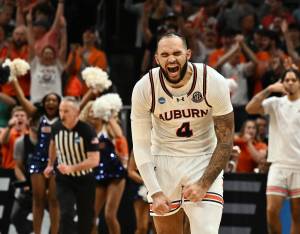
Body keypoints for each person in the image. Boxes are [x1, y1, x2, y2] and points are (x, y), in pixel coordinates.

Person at [131, 32, 234, 234]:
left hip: (204, 158)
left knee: (206, 231)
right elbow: (141, 144)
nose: (171, 59)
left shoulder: (211, 80)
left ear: (188, 54)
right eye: (165, 54)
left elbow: (225, 139)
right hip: (163, 158)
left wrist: (204, 184)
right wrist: (155, 191)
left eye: (177, 53)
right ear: (157, 59)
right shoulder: (145, 87)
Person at [246, 68, 300, 234]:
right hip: (277, 165)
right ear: (282, 83)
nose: (290, 83)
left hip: (299, 166)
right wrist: (269, 89)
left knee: (297, 216)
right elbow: (250, 108)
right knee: (271, 211)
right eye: (287, 80)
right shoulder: (275, 103)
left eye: (293, 80)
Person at [44, 97, 100, 234]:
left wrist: (72, 168)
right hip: (64, 179)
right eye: (61, 111)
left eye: (66, 111)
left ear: (77, 112)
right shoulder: (56, 127)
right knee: (66, 213)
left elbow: (94, 160)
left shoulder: (87, 131)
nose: (62, 114)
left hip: (85, 179)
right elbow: (53, 144)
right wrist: (50, 164)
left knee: (86, 217)